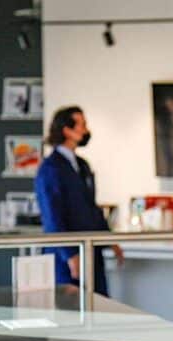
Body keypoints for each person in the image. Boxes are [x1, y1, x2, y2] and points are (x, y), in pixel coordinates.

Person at [34, 106, 123, 297]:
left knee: (97, 304)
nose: (85, 130)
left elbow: (91, 208)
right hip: (65, 258)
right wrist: (70, 255)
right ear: (67, 130)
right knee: (69, 309)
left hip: (90, 251)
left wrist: (110, 240)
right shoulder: (50, 169)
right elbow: (52, 218)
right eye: (82, 125)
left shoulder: (82, 166)